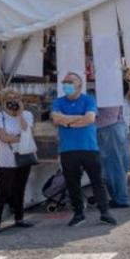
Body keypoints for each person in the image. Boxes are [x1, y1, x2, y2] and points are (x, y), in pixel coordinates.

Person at [51, 73, 116, 227]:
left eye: (70, 82)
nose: (66, 84)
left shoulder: (88, 100)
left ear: (79, 85)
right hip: (67, 149)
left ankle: (104, 212)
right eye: (64, 82)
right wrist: (77, 119)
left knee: (97, 181)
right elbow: (55, 118)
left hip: (88, 147)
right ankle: (78, 213)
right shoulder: (58, 102)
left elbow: (90, 119)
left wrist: (66, 121)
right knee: (72, 183)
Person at [0, 90, 36, 233]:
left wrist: (20, 114)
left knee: (19, 189)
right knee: (4, 191)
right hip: (7, 160)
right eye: (9, 98)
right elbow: (3, 137)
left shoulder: (27, 115)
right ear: (3, 101)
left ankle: (19, 218)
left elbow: (26, 131)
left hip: (23, 157)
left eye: (16, 98)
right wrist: (21, 137)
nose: (13, 101)